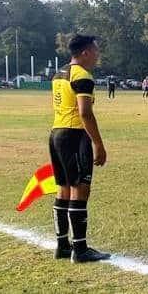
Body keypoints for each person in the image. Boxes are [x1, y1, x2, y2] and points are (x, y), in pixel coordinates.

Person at [49, 34, 110, 263]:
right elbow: (85, 113)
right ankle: (81, 249)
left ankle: (62, 245)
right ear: (85, 52)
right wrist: (98, 144)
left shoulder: (59, 73)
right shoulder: (83, 76)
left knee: (63, 189)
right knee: (79, 190)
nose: (97, 54)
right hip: (75, 136)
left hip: (56, 133)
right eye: (96, 50)